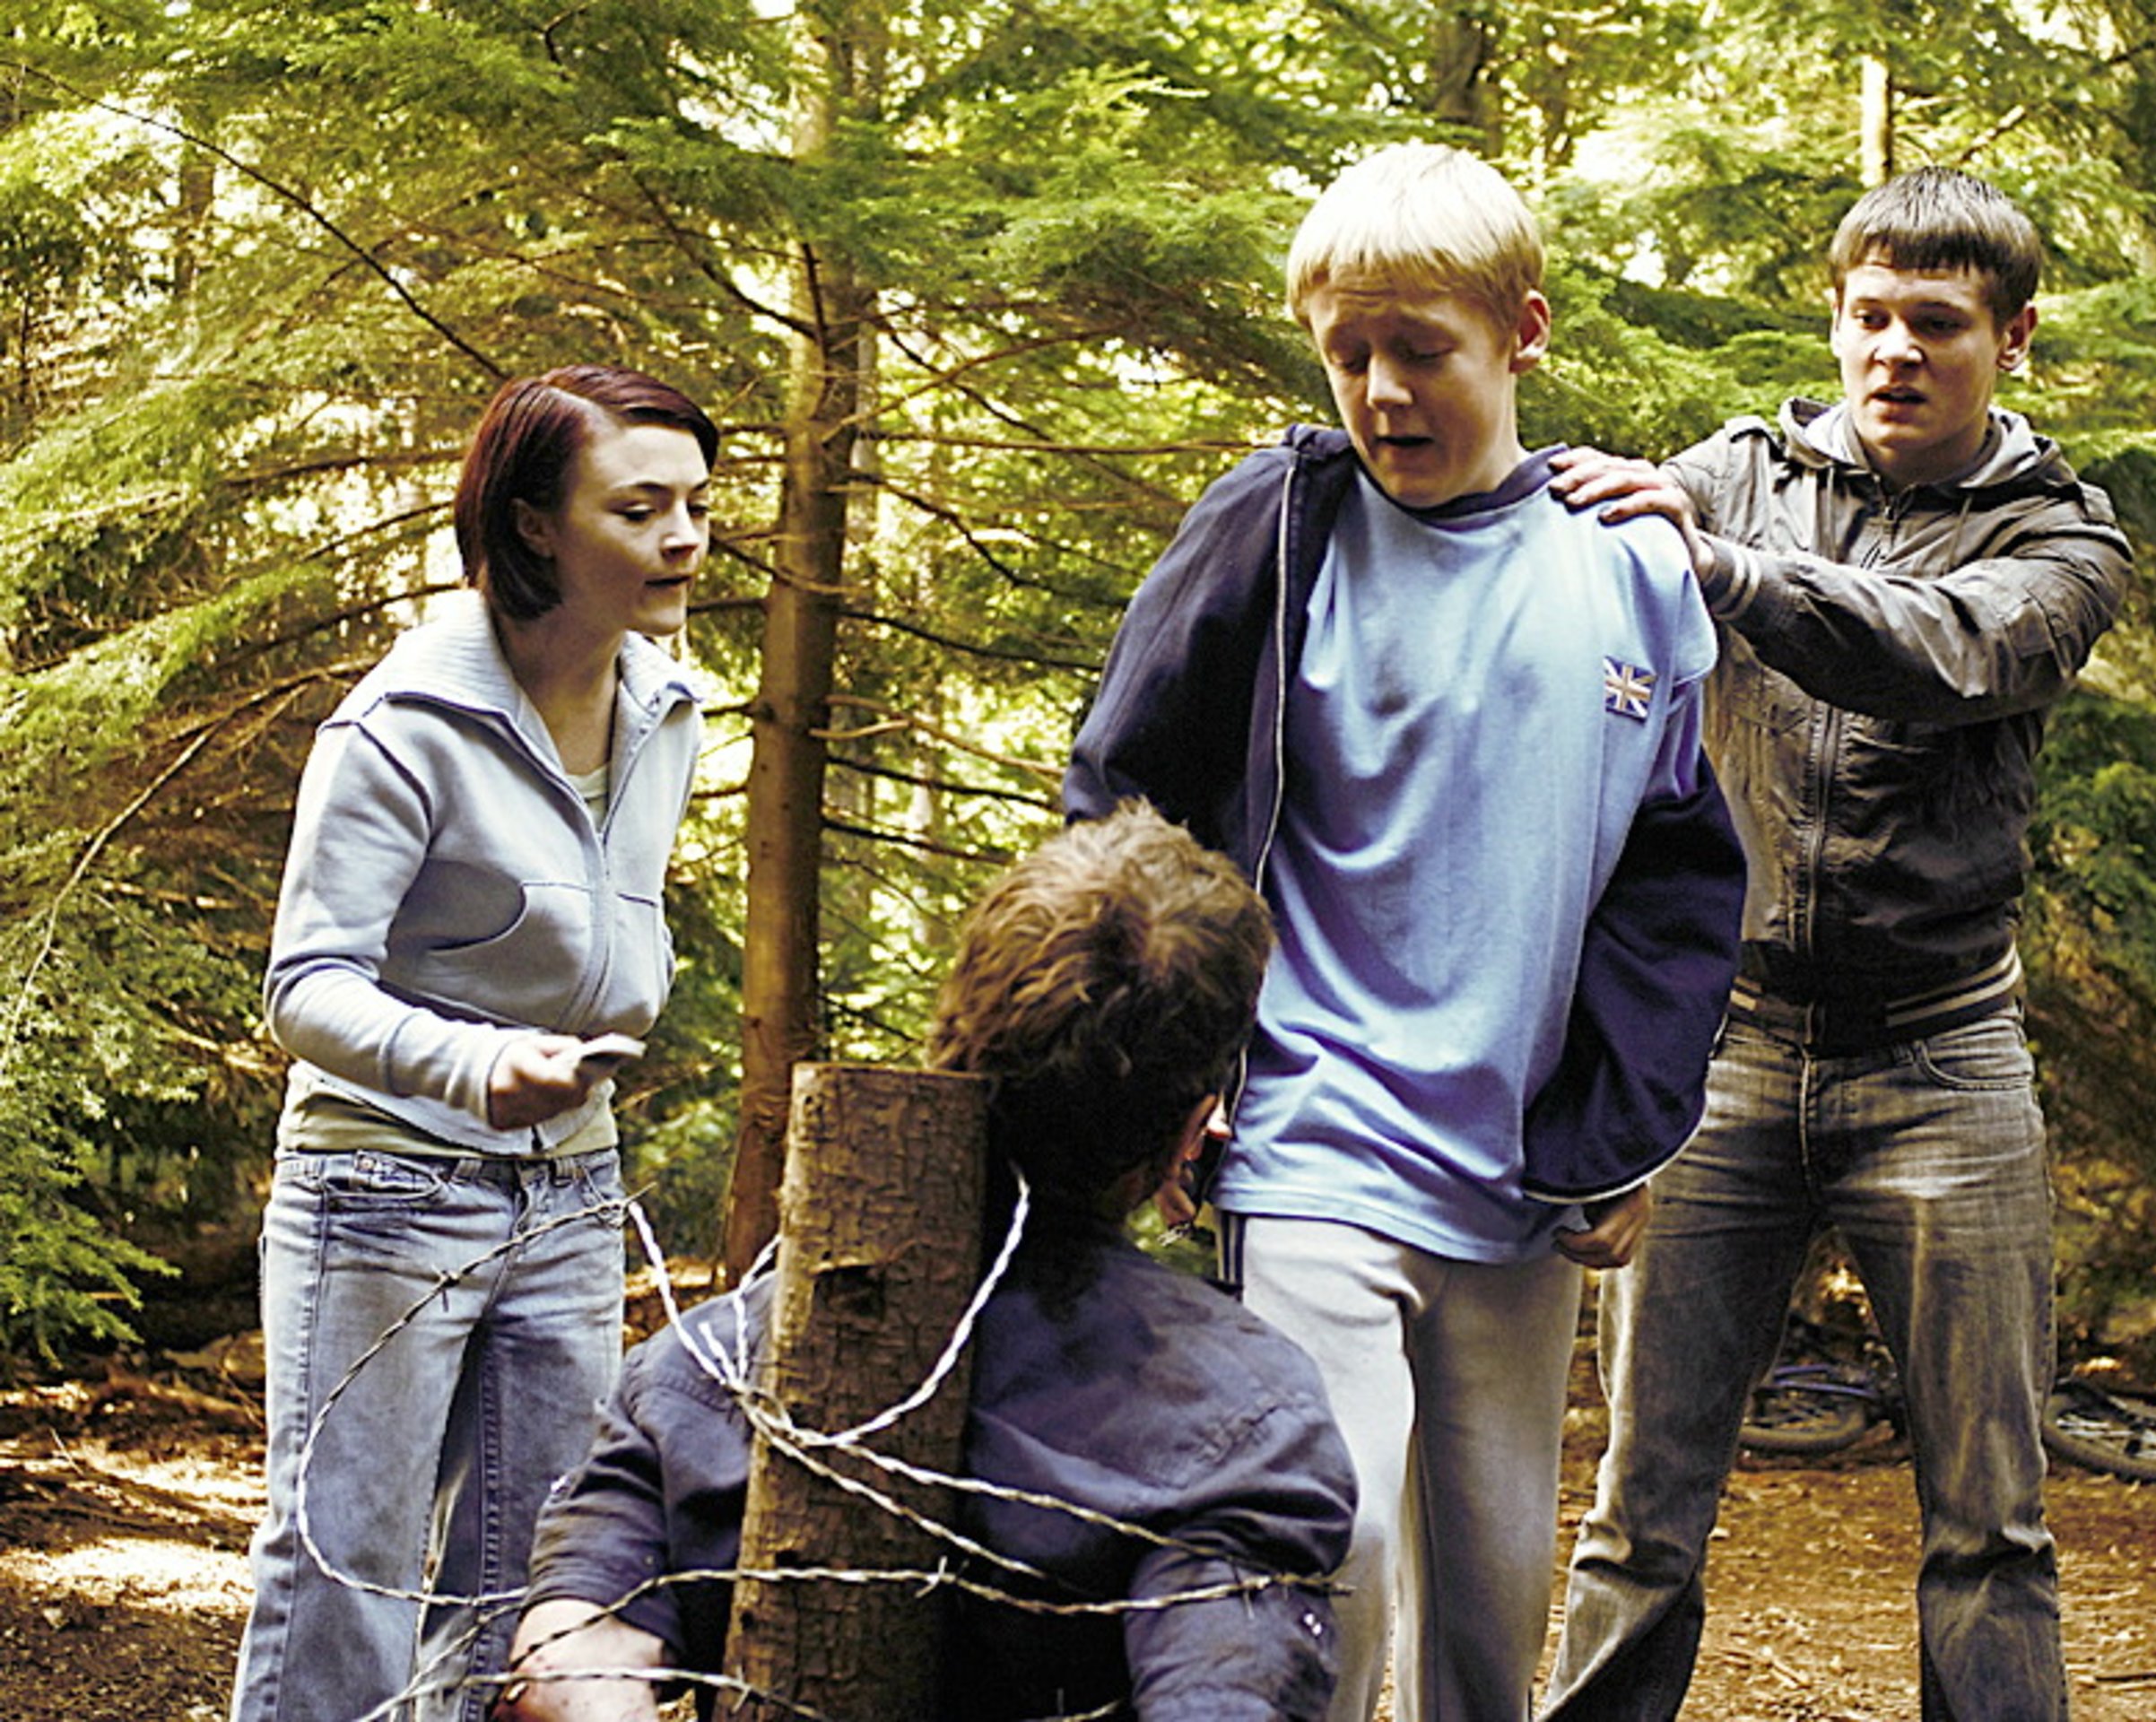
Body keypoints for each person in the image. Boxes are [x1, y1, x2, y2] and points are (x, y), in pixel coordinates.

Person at [1062, 142, 1748, 1722]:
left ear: (1522, 331)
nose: (1378, 392)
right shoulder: (1282, 540)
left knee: (1489, 1618)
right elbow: (1127, 807)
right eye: (1345, 355)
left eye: (1418, 350)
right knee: (1335, 1555)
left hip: (1521, 1176)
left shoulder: (1630, 569)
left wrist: (1622, 1134)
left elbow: (1670, 882)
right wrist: (1163, 1070)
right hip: (1313, 1138)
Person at [1539, 166, 2134, 1721]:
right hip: (1719, 1057)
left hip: (1943, 1061)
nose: (1892, 352)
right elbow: (1559, 583)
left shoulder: (2062, 539)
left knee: (1987, 1529)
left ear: (2010, 339)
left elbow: (1942, 653)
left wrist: (1724, 571)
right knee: (1635, 1515)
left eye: (1933, 323)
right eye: (1866, 316)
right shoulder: (1733, 470)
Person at [492, 802, 1359, 1721]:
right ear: (1195, 1126)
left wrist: (585, 1653)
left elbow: (570, 1670)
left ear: (953, 1038)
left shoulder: (694, 1374)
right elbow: (1225, 1694)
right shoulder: (1247, 1419)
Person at [229, 365, 716, 1722]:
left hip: (571, 1198)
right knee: (347, 1574)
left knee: (534, 1588)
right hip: (384, 1190)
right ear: (536, 527)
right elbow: (305, 987)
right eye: (640, 508)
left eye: (696, 505)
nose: (684, 538)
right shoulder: (401, 724)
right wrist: (473, 1065)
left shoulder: (669, 713)